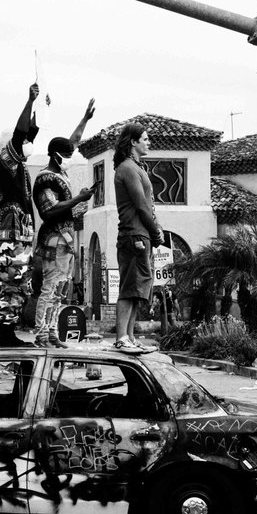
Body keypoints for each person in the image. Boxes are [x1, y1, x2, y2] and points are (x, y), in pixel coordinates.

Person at [30, 98, 97, 346]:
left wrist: (85, 119)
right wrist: (79, 198)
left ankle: (51, 333)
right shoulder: (46, 179)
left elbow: (73, 141)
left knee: (59, 291)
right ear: (56, 156)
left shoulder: (59, 172)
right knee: (49, 289)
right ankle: (40, 335)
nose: (71, 157)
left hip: (64, 241)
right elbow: (49, 210)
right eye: (67, 155)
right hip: (54, 239)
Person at [0, 83, 41, 346]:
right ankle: (3, 333)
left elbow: (29, 131)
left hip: (19, 232)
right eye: (23, 143)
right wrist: (29, 101)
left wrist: (40, 108)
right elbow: (22, 133)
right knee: (12, 281)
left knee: (19, 284)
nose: (29, 145)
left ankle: (6, 331)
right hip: (12, 233)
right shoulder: (5, 162)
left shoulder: (19, 165)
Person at [112, 122, 163, 353]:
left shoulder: (135, 167)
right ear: (133, 142)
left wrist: (154, 230)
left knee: (137, 289)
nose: (148, 142)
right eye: (144, 139)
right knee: (129, 288)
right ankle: (122, 336)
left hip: (140, 234)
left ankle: (130, 336)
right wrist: (155, 231)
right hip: (134, 235)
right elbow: (141, 205)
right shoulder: (128, 168)